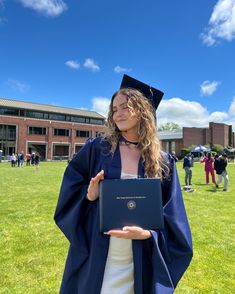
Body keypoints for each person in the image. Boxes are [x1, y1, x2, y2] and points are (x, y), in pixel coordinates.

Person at [54, 74, 193, 294]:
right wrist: (89, 195)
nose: (117, 114)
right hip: (98, 252)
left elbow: (173, 216)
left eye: (125, 107)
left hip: (139, 257)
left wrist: (149, 235)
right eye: (114, 109)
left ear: (143, 110)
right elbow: (71, 188)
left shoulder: (162, 161)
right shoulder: (97, 149)